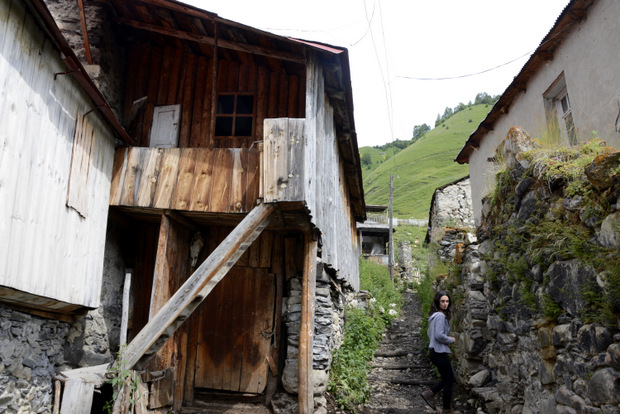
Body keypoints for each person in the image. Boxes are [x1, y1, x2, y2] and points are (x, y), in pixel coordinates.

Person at [421, 291, 460, 414]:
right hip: (439, 352)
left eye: (447, 301)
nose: (445, 304)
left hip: (435, 351)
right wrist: (451, 340)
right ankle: (447, 409)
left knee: (450, 378)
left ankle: (430, 393)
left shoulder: (433, 316)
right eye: (442, 301)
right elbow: (438, 335)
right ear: (438, 302)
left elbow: (429, 334)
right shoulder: (441, 316)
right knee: (449, 380)